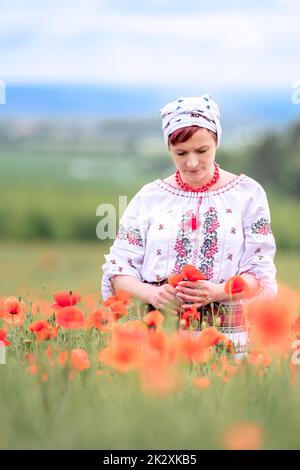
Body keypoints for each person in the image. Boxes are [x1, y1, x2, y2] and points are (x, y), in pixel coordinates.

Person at [101, 94, 277, 355]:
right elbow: (117, 273)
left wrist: (218, 291)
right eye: (181, 153)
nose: (192, 163)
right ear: (169, 149)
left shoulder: (248, 195)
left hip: (227, 341)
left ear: (217, 141)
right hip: (159, 340)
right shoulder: (150, 198)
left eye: (202, 150)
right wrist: (152, 294)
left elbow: (260, 276)